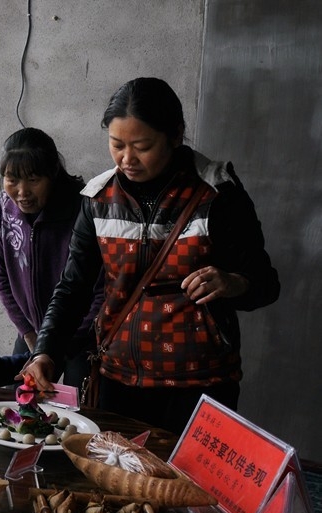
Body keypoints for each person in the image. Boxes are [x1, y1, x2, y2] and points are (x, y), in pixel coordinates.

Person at [22, 77, 280, 434]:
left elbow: (266, 283)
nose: (127, 159)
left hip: (199, 385)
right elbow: (73, 286)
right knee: (114, 483)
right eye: (117, 145)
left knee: (184, 487)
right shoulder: (98, 199)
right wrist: (45, 352)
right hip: (118, 380)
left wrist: (233, 282)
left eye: (142, 146)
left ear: (175, 136)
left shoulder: (216, 194)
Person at [0, 127, 103, 388]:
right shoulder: (2, 209)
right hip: (30, 330)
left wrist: (58, 348)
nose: (22, 191)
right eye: (12, 179)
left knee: (79, 415)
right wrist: (30, 335)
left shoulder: (83, 209)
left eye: (33, 179)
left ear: (53, 174)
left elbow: (100, 288)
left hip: (81, 338)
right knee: (23, 410)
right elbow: (1, 276)